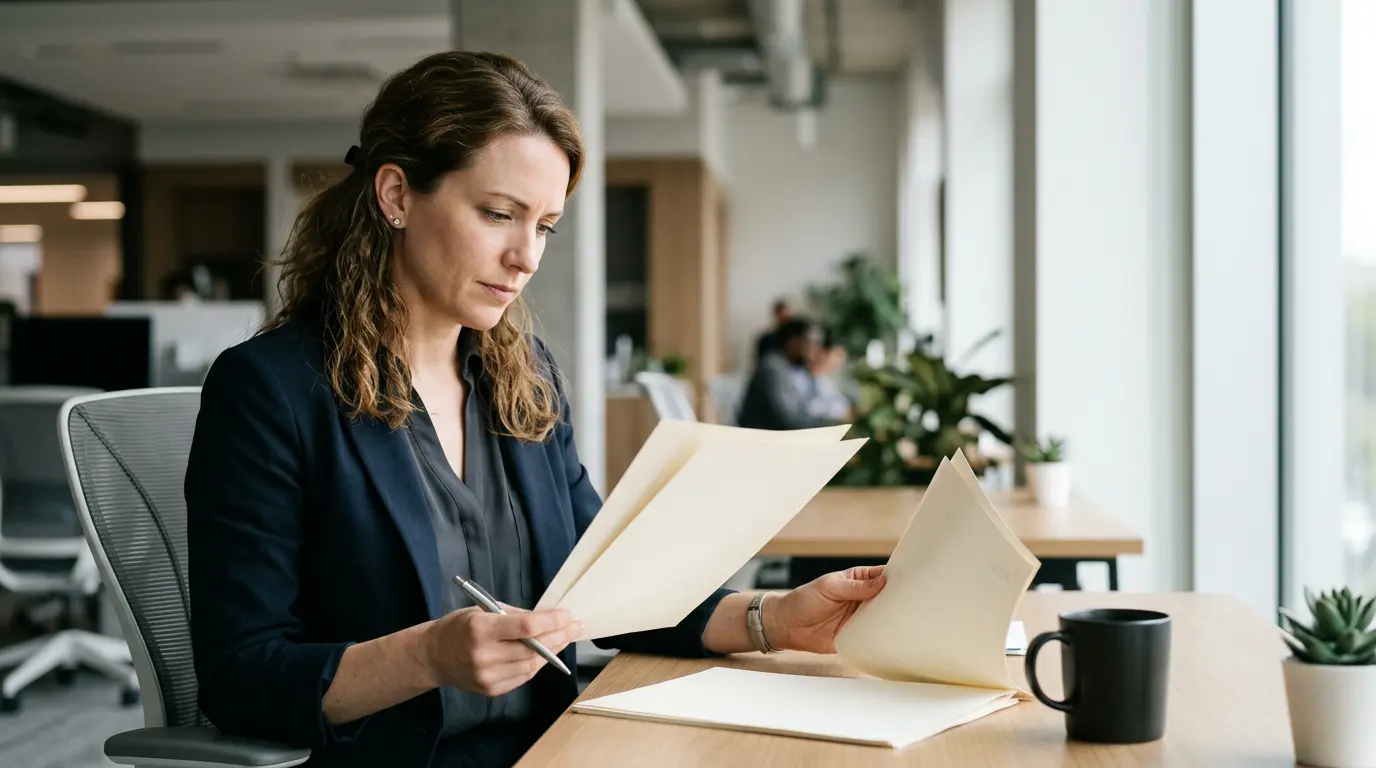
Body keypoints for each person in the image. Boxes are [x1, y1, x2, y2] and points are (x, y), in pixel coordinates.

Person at [186, 51, 886, 768]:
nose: (527, 257)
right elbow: (240, 679)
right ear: (396, 194)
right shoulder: (269, 390)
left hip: (550, 750)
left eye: (545, 225)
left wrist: (772, 618)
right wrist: (428, 655)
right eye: (498, 214)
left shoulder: (522, 382)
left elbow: (614, 583)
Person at [737, 316, 848, 430]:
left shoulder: (788, 369)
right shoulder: (774, 368)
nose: (817, 349)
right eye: (813, 342)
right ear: (794, 342)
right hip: (762, 441)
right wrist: (831, 425)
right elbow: (789, 420)